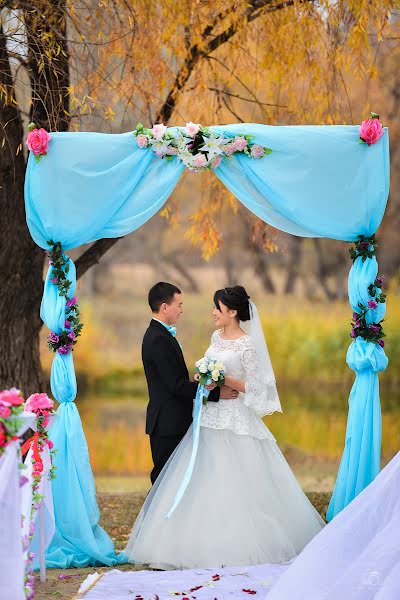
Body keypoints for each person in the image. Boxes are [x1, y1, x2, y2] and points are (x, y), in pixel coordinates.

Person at [126, 285, 324, 568]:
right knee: (203, 479)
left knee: (241, 480)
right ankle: (197, 542)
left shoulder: (247, 344)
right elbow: (193, 380)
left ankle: (247, 542)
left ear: (232, 312)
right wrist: (206, 379)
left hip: (236, 418)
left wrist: (223, 381)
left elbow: (255, 387)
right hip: (210, 417)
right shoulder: (214, 337)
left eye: (217, 308)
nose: (213, 312)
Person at [142, 282, 238, 484]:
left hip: (174, 420)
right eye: (179, 304)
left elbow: (174, 379)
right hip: (167, 423)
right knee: (164, 481)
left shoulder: (161, 334)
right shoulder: (157, 338)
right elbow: (176, 386)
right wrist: (216, 394)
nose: (181, 310)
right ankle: (155, 517)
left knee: (175, 480)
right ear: (164, 307)